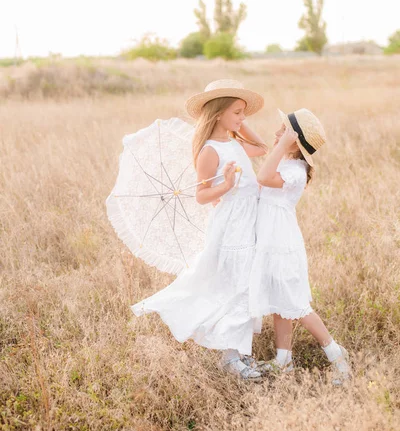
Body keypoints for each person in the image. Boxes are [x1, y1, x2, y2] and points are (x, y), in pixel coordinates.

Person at [132, 80, 267, 380]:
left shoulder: (234, 142)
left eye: (244, 113)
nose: (243, 118)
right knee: (237, 284)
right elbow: (202, 195)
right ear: (218, 113)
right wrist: (227, 184)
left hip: (250, 220)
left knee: (248, 283)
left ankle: (240, 351)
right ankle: (231, 358)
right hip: (232, 225)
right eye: (237, 112)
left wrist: (238, 124)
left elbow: (261, 147)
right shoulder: (210, 151)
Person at [249, 108, 351, 385]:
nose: (276, 134)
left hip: (282, 241)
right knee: (280, 302)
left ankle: (336, 353)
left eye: (283, 131)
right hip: (268, 239)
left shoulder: (295, 169)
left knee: (295, 302)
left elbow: (263, 178)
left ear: (295, 141)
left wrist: (280, 146)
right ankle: (283, 360)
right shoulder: (282, 160)